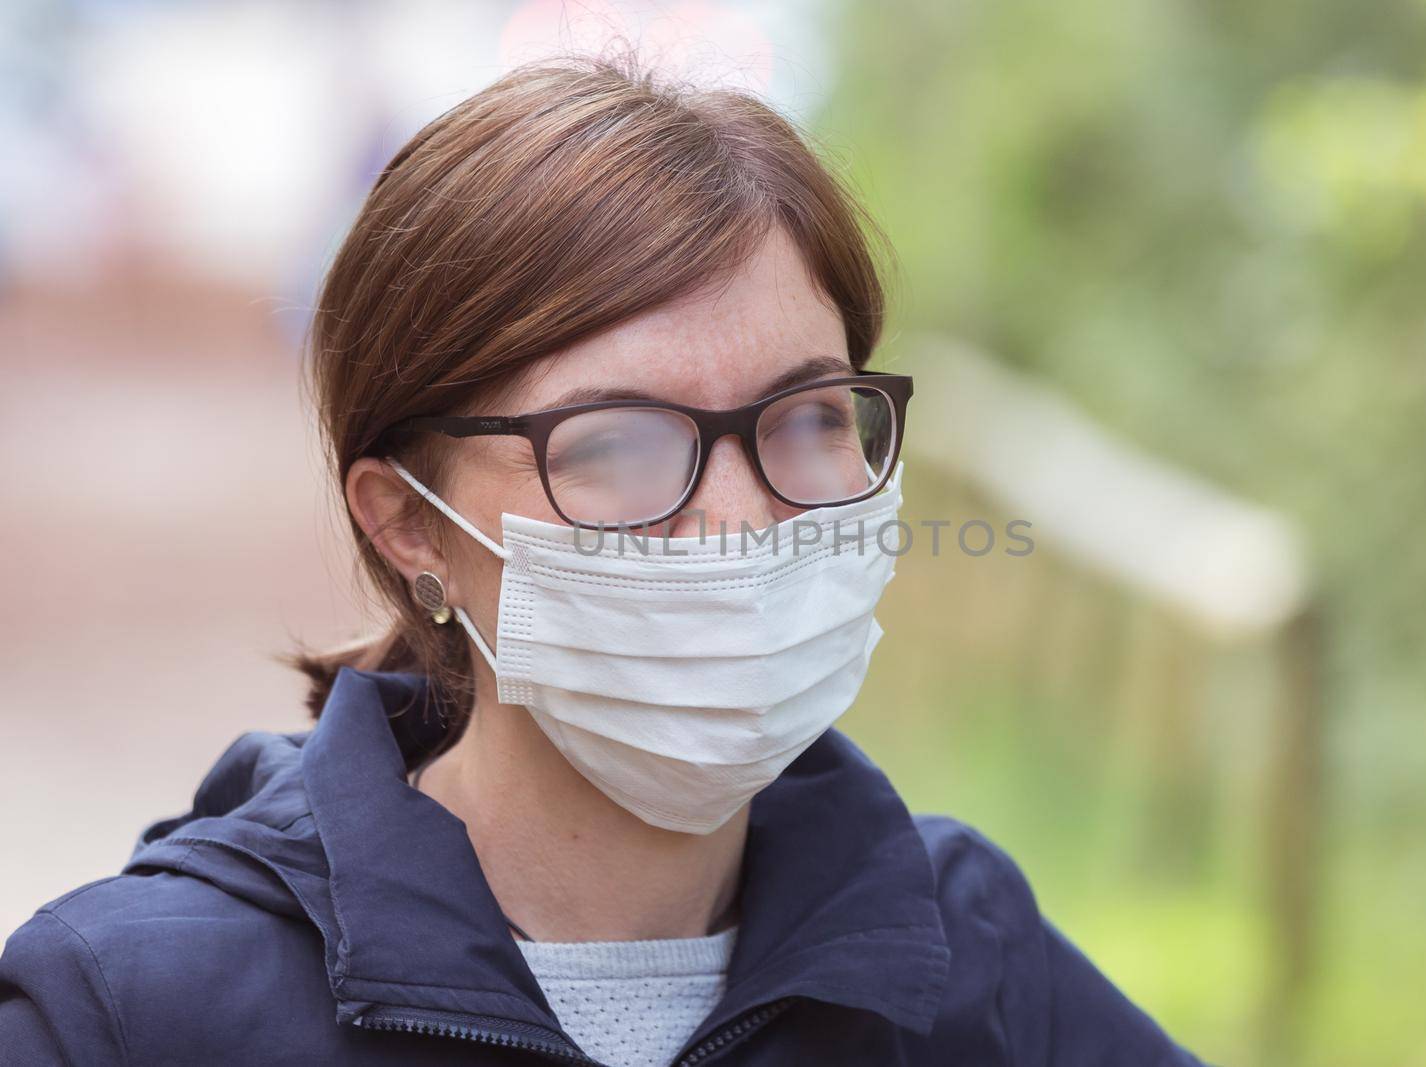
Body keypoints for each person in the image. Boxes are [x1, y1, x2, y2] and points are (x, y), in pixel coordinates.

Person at [0, 54, 1206, 1066]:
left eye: (808, 418)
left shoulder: (967, 962)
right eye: (619, 443)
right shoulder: (129, 1012)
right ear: (409, 524)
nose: (739, 519)